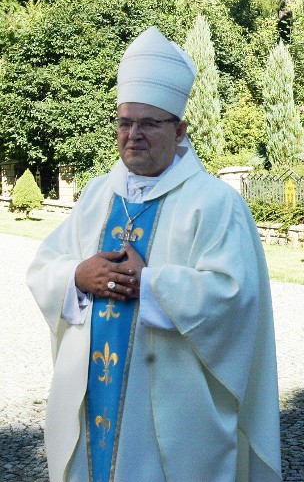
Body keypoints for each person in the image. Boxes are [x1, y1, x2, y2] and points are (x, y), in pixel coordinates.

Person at [26, 27, 281, 482]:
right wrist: (77, 278)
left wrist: (153, 283)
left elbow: (237, 298)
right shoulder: (97, 195)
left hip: (173, 422)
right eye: (124, 122)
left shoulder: (215, 203)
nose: (133, 135)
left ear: (180, 129)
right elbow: (44, 268)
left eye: (148, 123)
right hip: (93, 406)